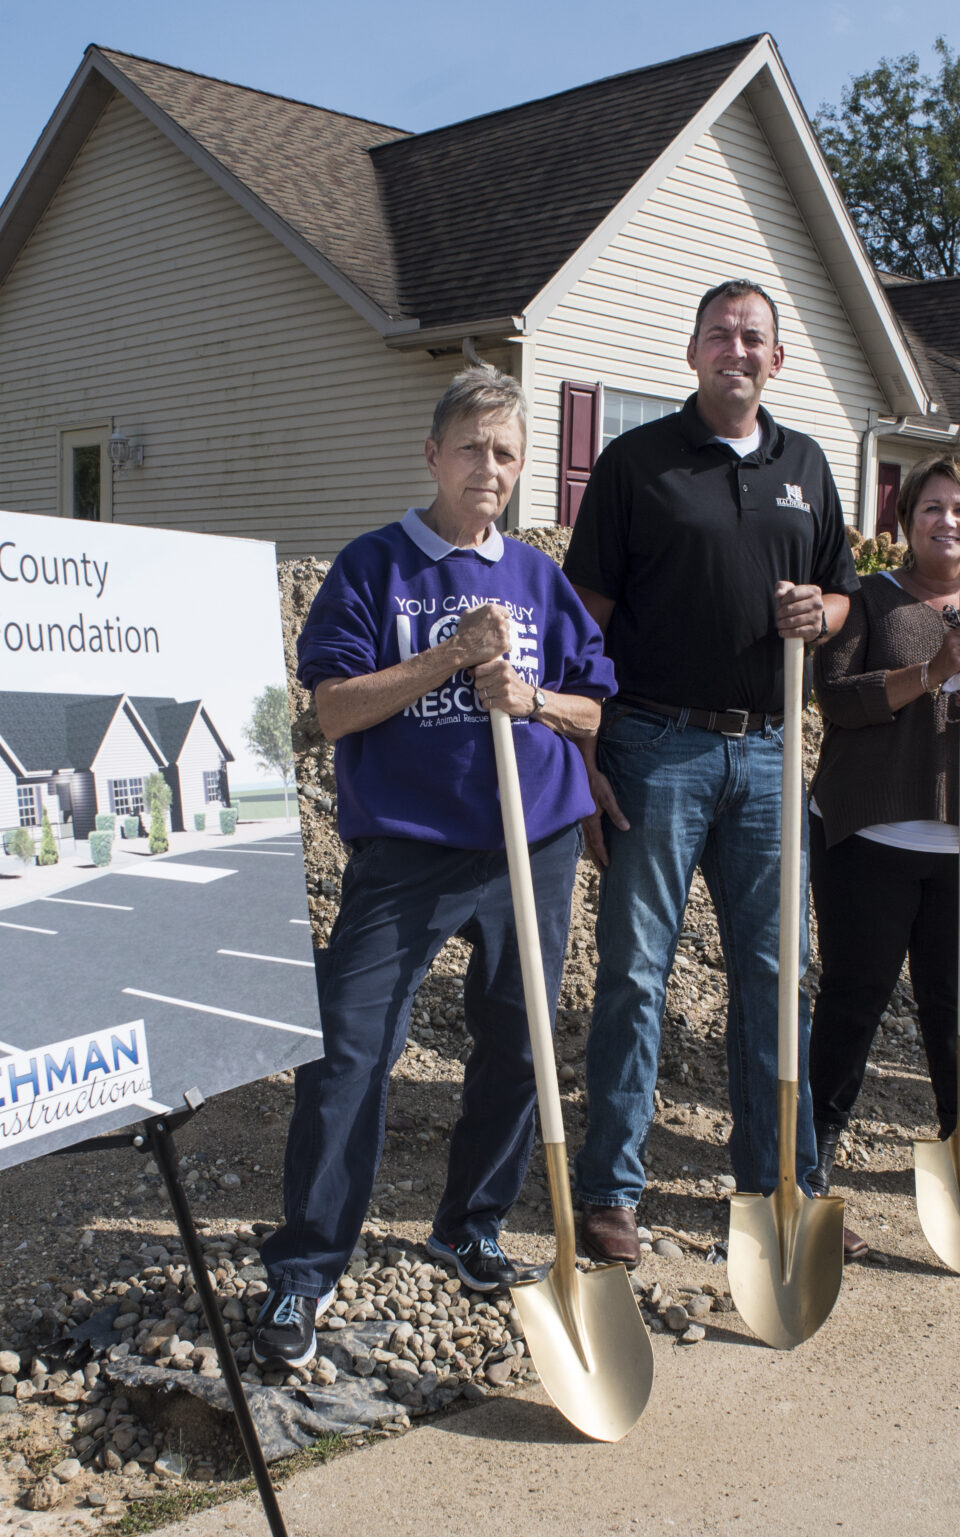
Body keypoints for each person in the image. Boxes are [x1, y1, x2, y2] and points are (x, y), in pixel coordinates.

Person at [257, 367, 616, 1367]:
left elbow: (594, 709)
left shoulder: (539, 578)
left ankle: (470, 1224)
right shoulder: (375, 567)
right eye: (471, 448)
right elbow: (329, 709)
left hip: (529, 840)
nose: (488, 469)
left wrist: (533, 698)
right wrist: (450, 655)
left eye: (506, 453)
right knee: (348, 1049)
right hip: (408, 847)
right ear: (432, 454)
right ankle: (304, 1266)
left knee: (520, 1044)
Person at [563, 279, 858, 1263]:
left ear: (776, 360)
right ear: (691, 351)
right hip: (655, 745)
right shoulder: (636, 463)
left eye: (755, 337)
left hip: (771, 752)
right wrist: (583, 754)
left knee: (778, 976)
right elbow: (582, 619)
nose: (738, 348)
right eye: (721, 334)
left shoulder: (806, 464)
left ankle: (781, 1176)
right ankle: (610, 1190)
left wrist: (824, 614)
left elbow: (843, 597)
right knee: (634, 973)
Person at [808, 450, 960, 1153]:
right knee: (854, 996)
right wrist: (933, 671)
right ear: (906, 518)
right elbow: (840, 699)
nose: (946, 521)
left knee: (953, 1005)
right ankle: (818, 1139)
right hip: (869, 839)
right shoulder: (869, 598)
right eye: (932, 507)